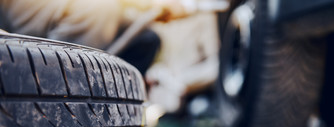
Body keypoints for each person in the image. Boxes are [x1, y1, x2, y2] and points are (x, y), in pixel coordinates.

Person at [0, 0, 191, 74]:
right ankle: (62, 103)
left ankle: (112, 112)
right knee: (99, 8)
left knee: (146, 40)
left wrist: (153, 11)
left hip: (73, 12)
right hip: (31, 25)